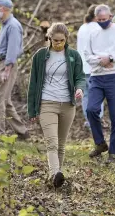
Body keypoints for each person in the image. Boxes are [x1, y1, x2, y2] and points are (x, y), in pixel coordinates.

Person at [27, 23, 85, 188]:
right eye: (55, 40)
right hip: (47, 103)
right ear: (49, 39)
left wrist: (80, 88)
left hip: (67, 105)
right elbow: (33, 83)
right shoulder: (40, 56)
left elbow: (80, 76)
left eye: (61, 40)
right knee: (51, 142)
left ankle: (57, 179)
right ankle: (54, 175)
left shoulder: (73, 55)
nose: (58, 43)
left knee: (61, 144)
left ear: (66, 39)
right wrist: (32, 109)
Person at [84, 4, 115, 162]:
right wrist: (101, 61)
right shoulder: (92, 33)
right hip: (97, 76)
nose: (102, 22)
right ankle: (100, 143)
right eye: (99, 20)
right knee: (91, 109)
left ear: (111, 16)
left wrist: (111, 58)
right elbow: (87, 55)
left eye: (105, 19)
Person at [0, 0, 29, 139]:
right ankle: (22, 132)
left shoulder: (12, 25)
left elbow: (12, 50)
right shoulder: (6, 24)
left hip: (5, 65)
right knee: (5, 101)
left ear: (3, 8)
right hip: (1, 64)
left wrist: (7, 69)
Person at [77, 5, 104, 128]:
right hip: (95, 68)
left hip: (82, 68)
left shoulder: (82, 28)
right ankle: (97, 120)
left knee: (86, 95)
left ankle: (89, 121)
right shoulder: (98, 28)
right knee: (98, 95)